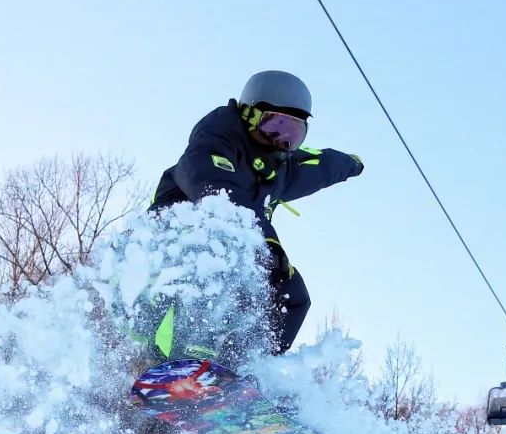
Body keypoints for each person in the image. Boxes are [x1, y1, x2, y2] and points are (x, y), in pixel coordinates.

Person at [146, 70, 364, 361]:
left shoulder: (277, 170)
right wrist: (267, 244)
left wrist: (352, 164)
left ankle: (246, 368)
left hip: (236, 251)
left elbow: (319, 165)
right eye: (274, 125)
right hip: (169, 256)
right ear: (249, 114)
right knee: (221, 253)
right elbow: (222, 200)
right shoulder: (212, 144)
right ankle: (193, 358)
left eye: (293, 134)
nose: (281, 140)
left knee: (292, 295)